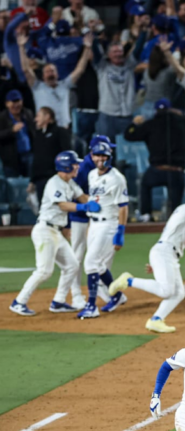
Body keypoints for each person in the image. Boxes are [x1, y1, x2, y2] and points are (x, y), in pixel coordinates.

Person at [108, 183, 185, 333]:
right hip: (164, 252)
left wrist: (157, 265)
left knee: (179, 293)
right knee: (166, 291)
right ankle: (128, 280)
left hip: (168, 255)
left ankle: (156, 320)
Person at [10, 151, 98, 316]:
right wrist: (83, 208)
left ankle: (58, 301)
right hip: (45, 231)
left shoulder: (70, 182)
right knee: (44, 271)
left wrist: (96, 202)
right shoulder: (54, 183)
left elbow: (83, 197)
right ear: (65, 166)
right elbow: (63, 205)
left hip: (56, 232)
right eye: (74, 164)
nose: (77, 167)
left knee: (72, 265)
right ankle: (19, 301)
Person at [78, 141, 130, 319]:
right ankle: (117, 295)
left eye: (104, 156)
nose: (100, 159)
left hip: (109, 224)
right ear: (92, 156)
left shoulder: (117, 178)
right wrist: (90, 227)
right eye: (97, 155)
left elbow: (123, 207)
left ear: (109, 157)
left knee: (90, 263)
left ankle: (91, 306)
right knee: (98, 265)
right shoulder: (92, 174)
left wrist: (120, 232)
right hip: (94, 224)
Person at [124, 99, 185, 219]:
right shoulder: (183, 122)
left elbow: (129, 135)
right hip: (176, 171)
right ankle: (176, 217)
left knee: (145, 184)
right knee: (176, 207)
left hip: (157, 169)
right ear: (170, 109)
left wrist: (134, 124)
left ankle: (146, 214)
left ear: (156, 110)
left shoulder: (150, 124)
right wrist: (181, 115)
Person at [18, 29, 91, 131]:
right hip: (44, 129)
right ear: (43, 76)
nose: (50, 74)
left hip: (63, 129)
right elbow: (26, 70)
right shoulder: (37, 87)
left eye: (52, 71)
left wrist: (87, 48)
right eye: (47, 72)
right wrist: (21, 47)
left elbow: (80, 69)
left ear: (57, 74)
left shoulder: (65, 85)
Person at [30, 107, 70, 204]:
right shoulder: (38, 135)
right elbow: (36, 159)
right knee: (43, 210)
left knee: (58, 208)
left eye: (38, 116)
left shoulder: (60, 132)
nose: (35, 119)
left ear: (47, 117)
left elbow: (67, 154)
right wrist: (32, 180)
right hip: (40, 180)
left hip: (55, 178)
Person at [0, 90, 34, 177]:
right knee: (12, 186)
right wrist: (11, 130)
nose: (16, 105)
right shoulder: (2, 118)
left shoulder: (28, 113)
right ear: (7, 103)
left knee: (30, 184)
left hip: (29, 155)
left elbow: (34, 132)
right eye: (13, 102)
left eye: (18, 101)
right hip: (12, 159)